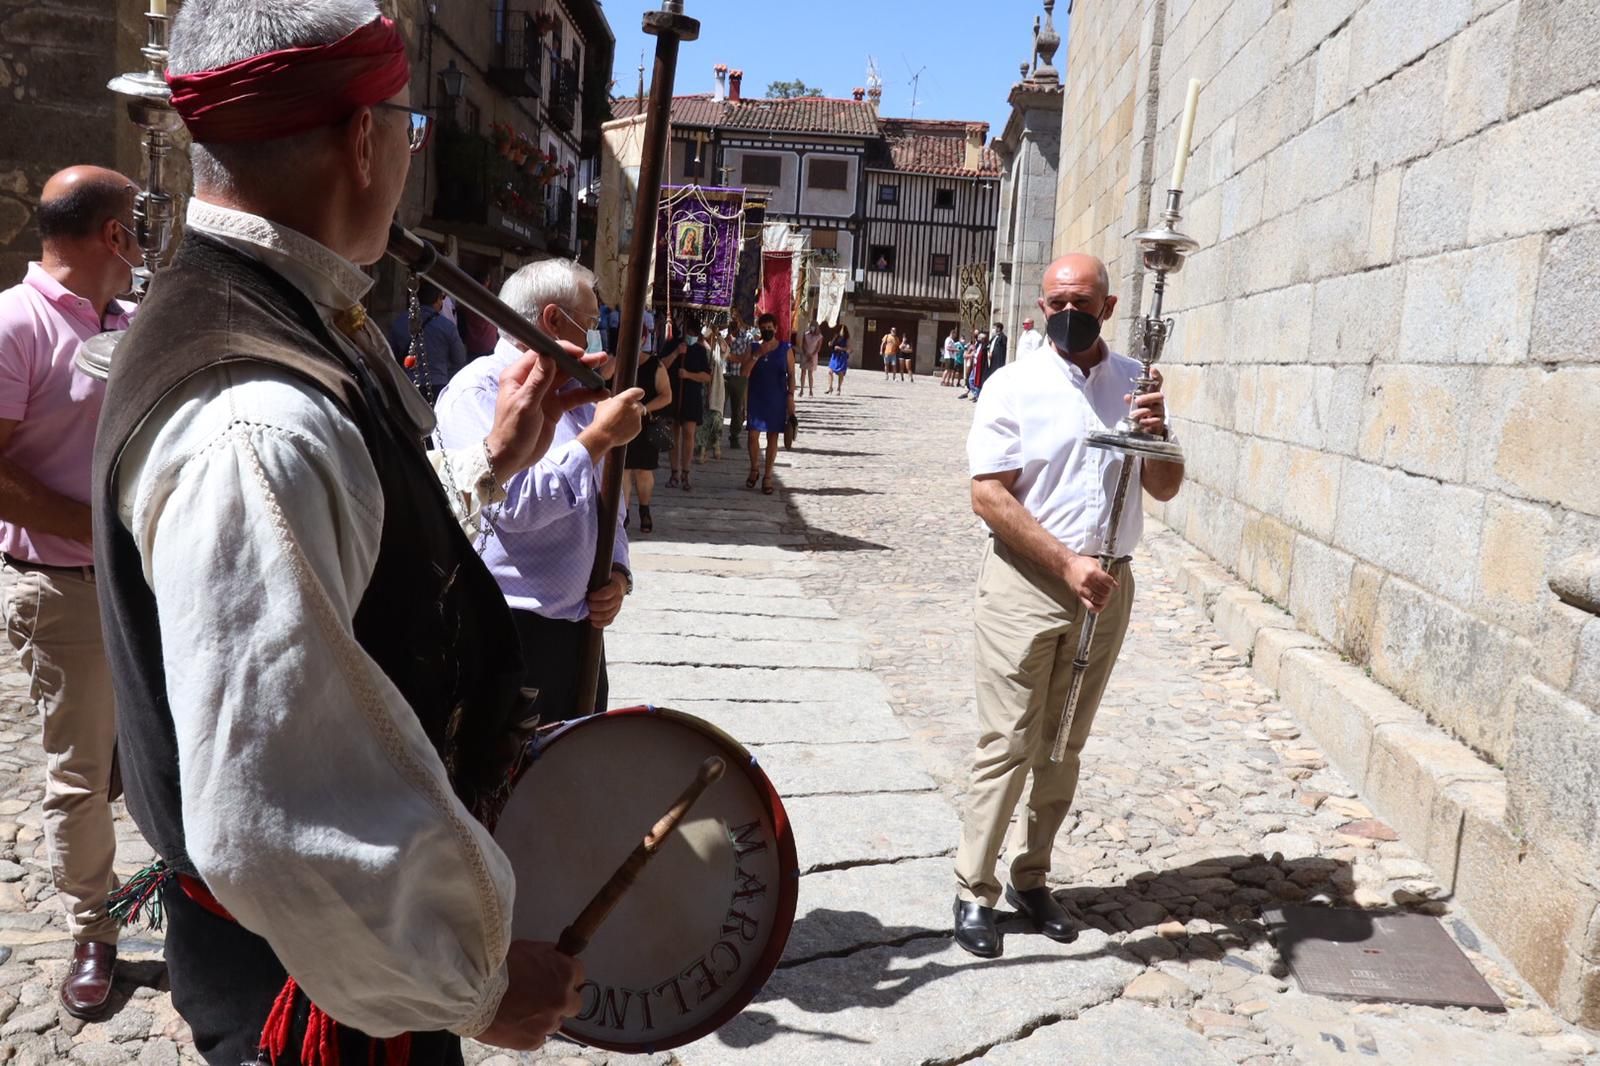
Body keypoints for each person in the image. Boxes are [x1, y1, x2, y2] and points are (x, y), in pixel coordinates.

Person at [93, 3, 600, 1061]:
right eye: (409, 128)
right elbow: (267, 813)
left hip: (336, 967)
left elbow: (351, 565)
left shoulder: (284, 314)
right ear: (365, 140)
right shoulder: (254, 415)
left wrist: (491, 463)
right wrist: (471, 986)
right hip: (322, 983)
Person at [952, 253, 1184, 959]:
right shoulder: (1012, 385)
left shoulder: (1134, 385)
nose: (1066, 313)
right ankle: (972, 888)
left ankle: (1032, 875)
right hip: (1028, 582)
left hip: (1108, 586)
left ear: (1108, 308)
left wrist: (1158, 429)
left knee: (1064, 742)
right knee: (1011, 740)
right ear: (1042, 307)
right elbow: (988, 493)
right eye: (1054, 302)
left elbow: (1167, 487)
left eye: (1080, 301)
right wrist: (1064, 562)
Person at [0, 165, 137, 1020]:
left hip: (146, 581)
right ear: (113, 237)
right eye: (139, 225)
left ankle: (200, 902)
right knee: (82, 772)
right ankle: (95, 928)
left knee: (164, 751)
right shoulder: (14, 324)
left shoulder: (126, 319)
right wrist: (95, 532)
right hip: (64, 586)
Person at [435, 259, 644, 726]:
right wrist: (596, 440)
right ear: (553, 320)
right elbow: (509, 505)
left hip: (579, 633)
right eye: (590, 323)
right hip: (513, 629)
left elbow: (608, 500)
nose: (597, 335)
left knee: (572, 775)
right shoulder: (477, 391)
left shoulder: (576, 388)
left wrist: (617, 571)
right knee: (510, 785)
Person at [737, 312, 793, 495]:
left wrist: (791, 396)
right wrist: (756, 356)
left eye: (770, 328)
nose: (767, 331)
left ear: (776, 329)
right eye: (764, 328)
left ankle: (768, 476)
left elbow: (791, 374)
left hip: (777, 397)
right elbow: (744, 373)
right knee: (753, 435)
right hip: (757, 396)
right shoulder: (753, 347)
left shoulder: (785, 349)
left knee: (772, 437)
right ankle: (754, 468)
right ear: (759, 330)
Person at [385, 278, 467, 397]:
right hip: (438, 386)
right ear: (438, 299)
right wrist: (444, 374)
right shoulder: (447, 326)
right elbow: (459, 359)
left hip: (407, 386)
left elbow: (390, 356)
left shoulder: (399, 322)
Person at [623, 339, 673, 534]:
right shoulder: (616, 360)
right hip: (622, 424)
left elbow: (666, 395)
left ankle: (644, 510)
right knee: (624, 471)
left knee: (643, 471)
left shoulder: (655, 365)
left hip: (645, 425)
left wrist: (645, 408)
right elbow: (603, 379)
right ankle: (624, 513)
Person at [669, 314, 711, 491]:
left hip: (691, 397)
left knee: (688, 434)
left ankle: (686, 472)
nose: (690, 334)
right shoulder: (672, 344)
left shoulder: (700, 351)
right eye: (688, 331)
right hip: (674, 395)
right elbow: (662, 365)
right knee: (673, 436)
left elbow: (707, 376)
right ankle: (674, 472)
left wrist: (688, 375)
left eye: (693, 332)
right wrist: (677, 353)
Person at [696, 322, 726, 462]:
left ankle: (716, 446)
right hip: (702, 391)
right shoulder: (700, 349)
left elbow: (726, 349)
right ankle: (702, 452)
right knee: (704, 423)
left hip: (716, 392)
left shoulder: (717, 352)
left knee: (715, 421)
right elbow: (701, 340)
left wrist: (718, 335)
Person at [723, 311, 752, 446]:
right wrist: (726, 343)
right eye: (730, 319)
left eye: (735, 319)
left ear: (740, 321)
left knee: (737, 409)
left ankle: (734, 436)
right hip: (723, 376)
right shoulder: (722, 335)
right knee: (717, 407)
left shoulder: (747, 337)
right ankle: (714, 436)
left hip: (739, 377)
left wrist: (728, 355)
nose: (732, 322)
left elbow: (745, 359)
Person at [798, 321, 822, 397]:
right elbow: (803, 344)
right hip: (805, 354)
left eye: (813, 326)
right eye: (811, 326)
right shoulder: (806, 334)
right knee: (803, 372)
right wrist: (806, 353)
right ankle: (801, 390)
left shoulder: (819, 336)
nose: (812, 327)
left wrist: (812, 355)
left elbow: (818, 347)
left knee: (810, 373)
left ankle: (810, 390)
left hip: (813, 355)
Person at [826, 324, 851, 395]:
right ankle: (830, 387)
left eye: (843, 330)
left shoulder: (847, 339)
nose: (841, 331)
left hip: (842, 357)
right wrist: (830, 344)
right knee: (830, 371)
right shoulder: (836, 337)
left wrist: (840, 348)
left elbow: (849, 348)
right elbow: (832, 344)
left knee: (840, 373)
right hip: (835, 356)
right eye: (840, 329)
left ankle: (839, 388)